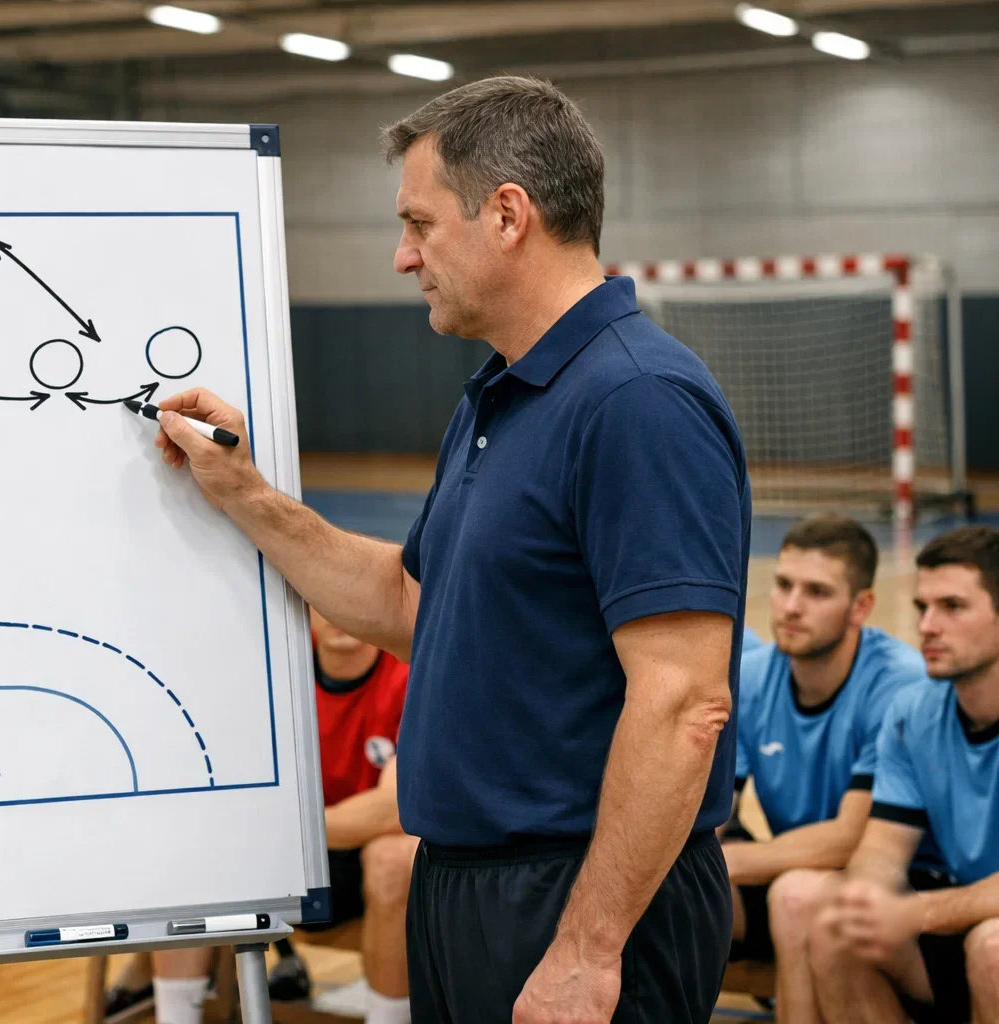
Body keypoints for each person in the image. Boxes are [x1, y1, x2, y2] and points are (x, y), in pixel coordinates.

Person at [147, 75, 748, 1023]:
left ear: (508, 213)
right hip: (468, 887)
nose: (401, 256)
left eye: (419, 224)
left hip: (582, 902)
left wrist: (588, 951)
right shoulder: (496, 395)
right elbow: (409, 608)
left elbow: (683, 702)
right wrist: (247, 495)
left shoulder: (637, 401)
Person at [129, 609, 417, 1024]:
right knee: (189, 843)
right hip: (280, 857)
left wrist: (272, 825)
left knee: (395, 856)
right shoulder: (273, 668)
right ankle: (176, 1017)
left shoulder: (409, 675)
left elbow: (396, 806)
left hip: (356, 861)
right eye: (326, 598)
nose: (340, 611)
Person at [767, 525, 999, 1023]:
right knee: (836, 924)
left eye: (953, 607)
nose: (928, 626)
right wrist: (865, 904)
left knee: (992, 949)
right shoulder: (914, 711)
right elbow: (880, 853)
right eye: (922, 607)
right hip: (963, 919)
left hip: (985, 935)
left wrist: (913, 913)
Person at [723, 515, 928, 973]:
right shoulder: (752, 677)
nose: (790, 607)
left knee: (795, 894)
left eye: (816, 592)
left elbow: (848, 840)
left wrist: (724, 861)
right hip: (789, 874)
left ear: (861, 606)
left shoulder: (898, 685)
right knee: (669, 885)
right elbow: (716, 812)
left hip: (898, 886)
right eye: (783, 585)